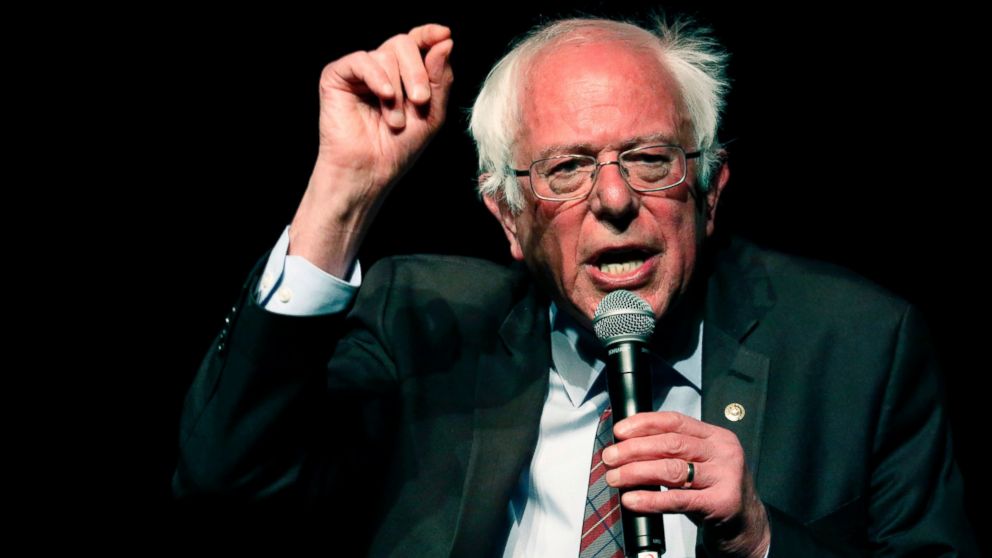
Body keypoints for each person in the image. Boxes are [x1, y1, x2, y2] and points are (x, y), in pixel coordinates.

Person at [173, 15, 977, 557]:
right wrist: (342, 194)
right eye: (567, 169)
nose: (616, 201)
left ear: (711, 191)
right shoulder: (424, 324)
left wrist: (761, 540)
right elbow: (224, 488)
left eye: (651, 159)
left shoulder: (856, 346)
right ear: (509, 219)